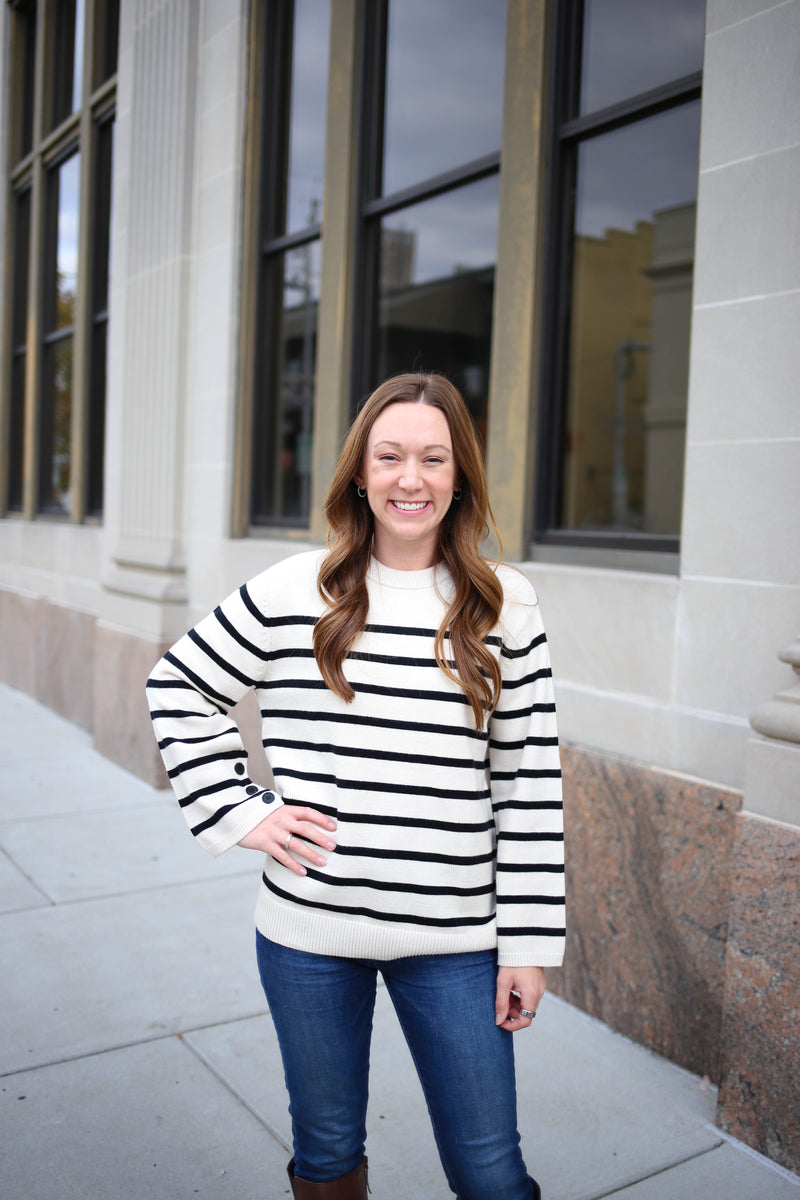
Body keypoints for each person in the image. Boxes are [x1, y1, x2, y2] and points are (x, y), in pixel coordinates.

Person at [146, 373, 565, 1200]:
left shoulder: (504, 604)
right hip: (309, 935)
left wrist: (527, 944)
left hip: (455, 943)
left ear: (461, 476)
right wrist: (240, 810)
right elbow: (178, 686)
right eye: (391, 456)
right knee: (327, 1148)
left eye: (434, 459)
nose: (412, 478)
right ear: (360, 473)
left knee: (491, 1171)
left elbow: (528, 784)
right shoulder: (294, 590)